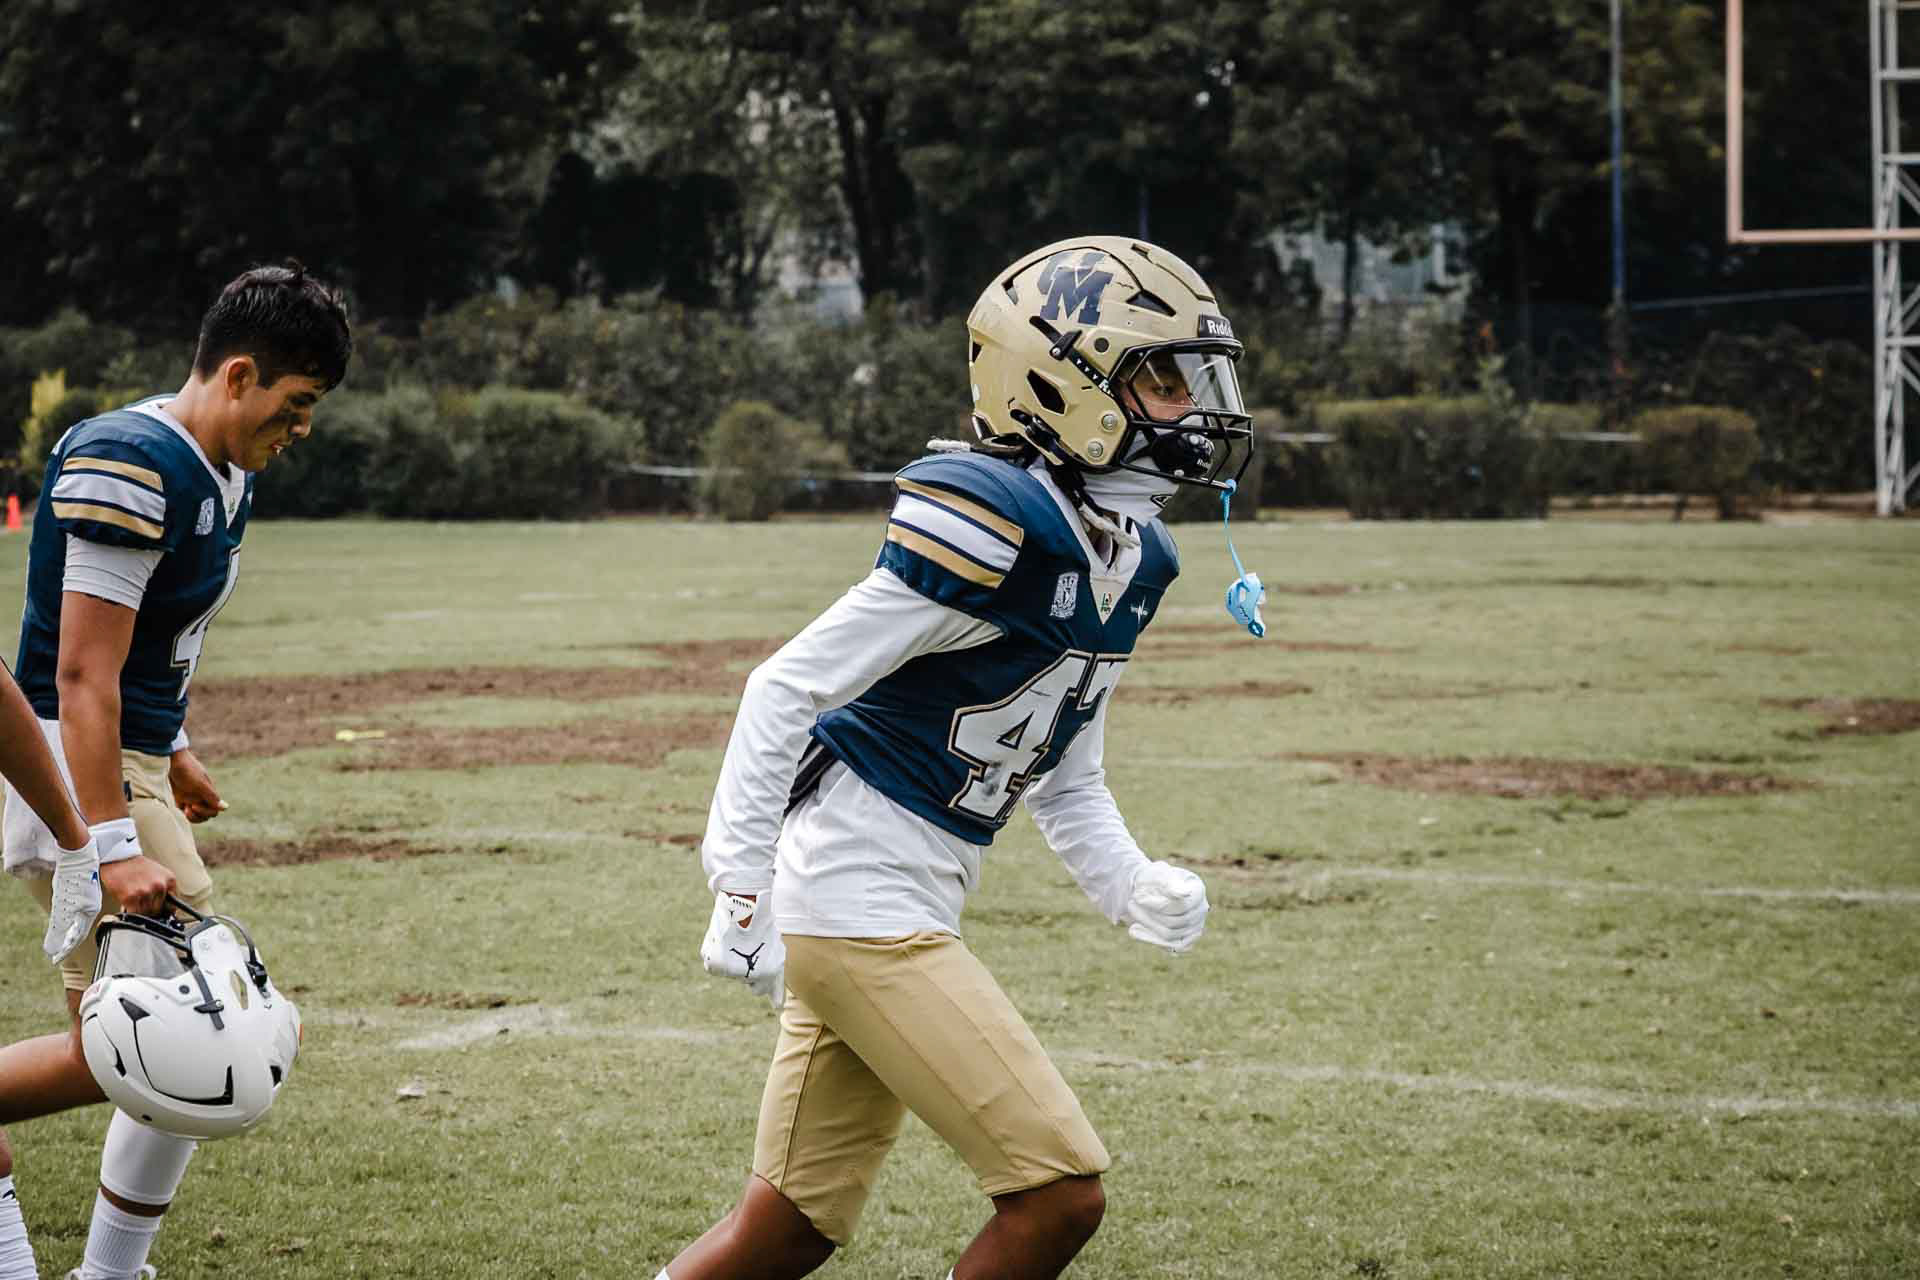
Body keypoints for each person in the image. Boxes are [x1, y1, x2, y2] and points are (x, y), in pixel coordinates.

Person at [664, 235, 1255, 1280]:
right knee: (1059, 1192)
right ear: (1063, 383)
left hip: (900, 895)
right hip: (855, 896)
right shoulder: (996, 524)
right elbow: (784, 688)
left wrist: (1128, 882)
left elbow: (1068, 774)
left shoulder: (1134, 557)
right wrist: (740, 884)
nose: (1190, 407)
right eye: (1162, 379)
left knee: (788, 1224)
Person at [0, 261, 351, 1280]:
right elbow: (79, 671)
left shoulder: (219, 470)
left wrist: (178, 743)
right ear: (238, 373)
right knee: (201, 1034)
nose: (303, 427)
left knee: (145, 1043)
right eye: (297, 402)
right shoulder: (133, 460)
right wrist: (108, 845)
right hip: (76, 770)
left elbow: (151, 644)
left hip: (127, 760)